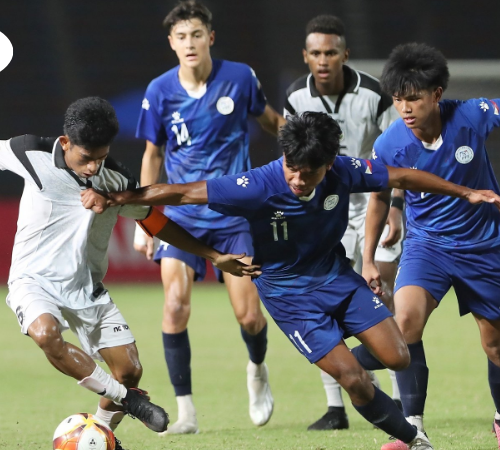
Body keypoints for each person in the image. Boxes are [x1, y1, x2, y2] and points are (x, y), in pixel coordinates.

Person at [86, 111, 500, 450]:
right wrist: (119, 198)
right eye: (291, 168)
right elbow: (181, 192)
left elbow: (400, 176)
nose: (296, 179)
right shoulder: (257, 184)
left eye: (307, 173)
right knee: (352, 379)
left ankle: (337, 353)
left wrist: (467, 192)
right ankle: (413, 438)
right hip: (289, 296)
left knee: (399, 356)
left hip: (336, 278)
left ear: (328, 165)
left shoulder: (344, 171)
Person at [0, 97, 259, 448]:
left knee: (130, 371)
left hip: (87, 289)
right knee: (45, 333)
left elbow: (156, 223)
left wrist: (212, 255)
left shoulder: (115, 181)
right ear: (65, 142)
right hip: (33, 280)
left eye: (101, 157)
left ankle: (103, 434)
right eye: (87, 157)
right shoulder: (30, 152)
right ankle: (130, 405)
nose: (94, 167)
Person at [367, 43, 500, 450]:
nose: (405, 108)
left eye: (413, 98)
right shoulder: (390, 143)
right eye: (398, 100)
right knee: (406, 323)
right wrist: (371, 252)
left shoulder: (468, 115)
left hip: (482, 248)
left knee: (497, 346)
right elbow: (379, 193)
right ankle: (412, 429)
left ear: (437, 94)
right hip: (426, 246)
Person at [134, 0, 286, 434]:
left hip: (234, 215)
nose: (189, 43)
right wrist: (147, 219)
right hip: (183, 217)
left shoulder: (240, 78)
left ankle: (257, 369)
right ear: (171, 43)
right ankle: (187, 414)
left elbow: (271, 121)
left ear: (210, 38)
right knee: (174, 307)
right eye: (181, 37)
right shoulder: (159, 91)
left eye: (196, 35)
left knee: (250, 317)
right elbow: (153, 154)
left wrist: (300, 142)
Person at [283, 14, 405, 431]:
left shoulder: (373, 93)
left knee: (382, 296)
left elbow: (397, 153)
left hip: (374, 203)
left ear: (344, 54)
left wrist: (396, 205)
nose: (323, 60)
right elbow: (291, 157)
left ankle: (402, 401)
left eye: (331, 52)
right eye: (315, 53)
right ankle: (337, 409)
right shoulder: (296, 97)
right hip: (322, 214)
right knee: (323, 305)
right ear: (306, 55)